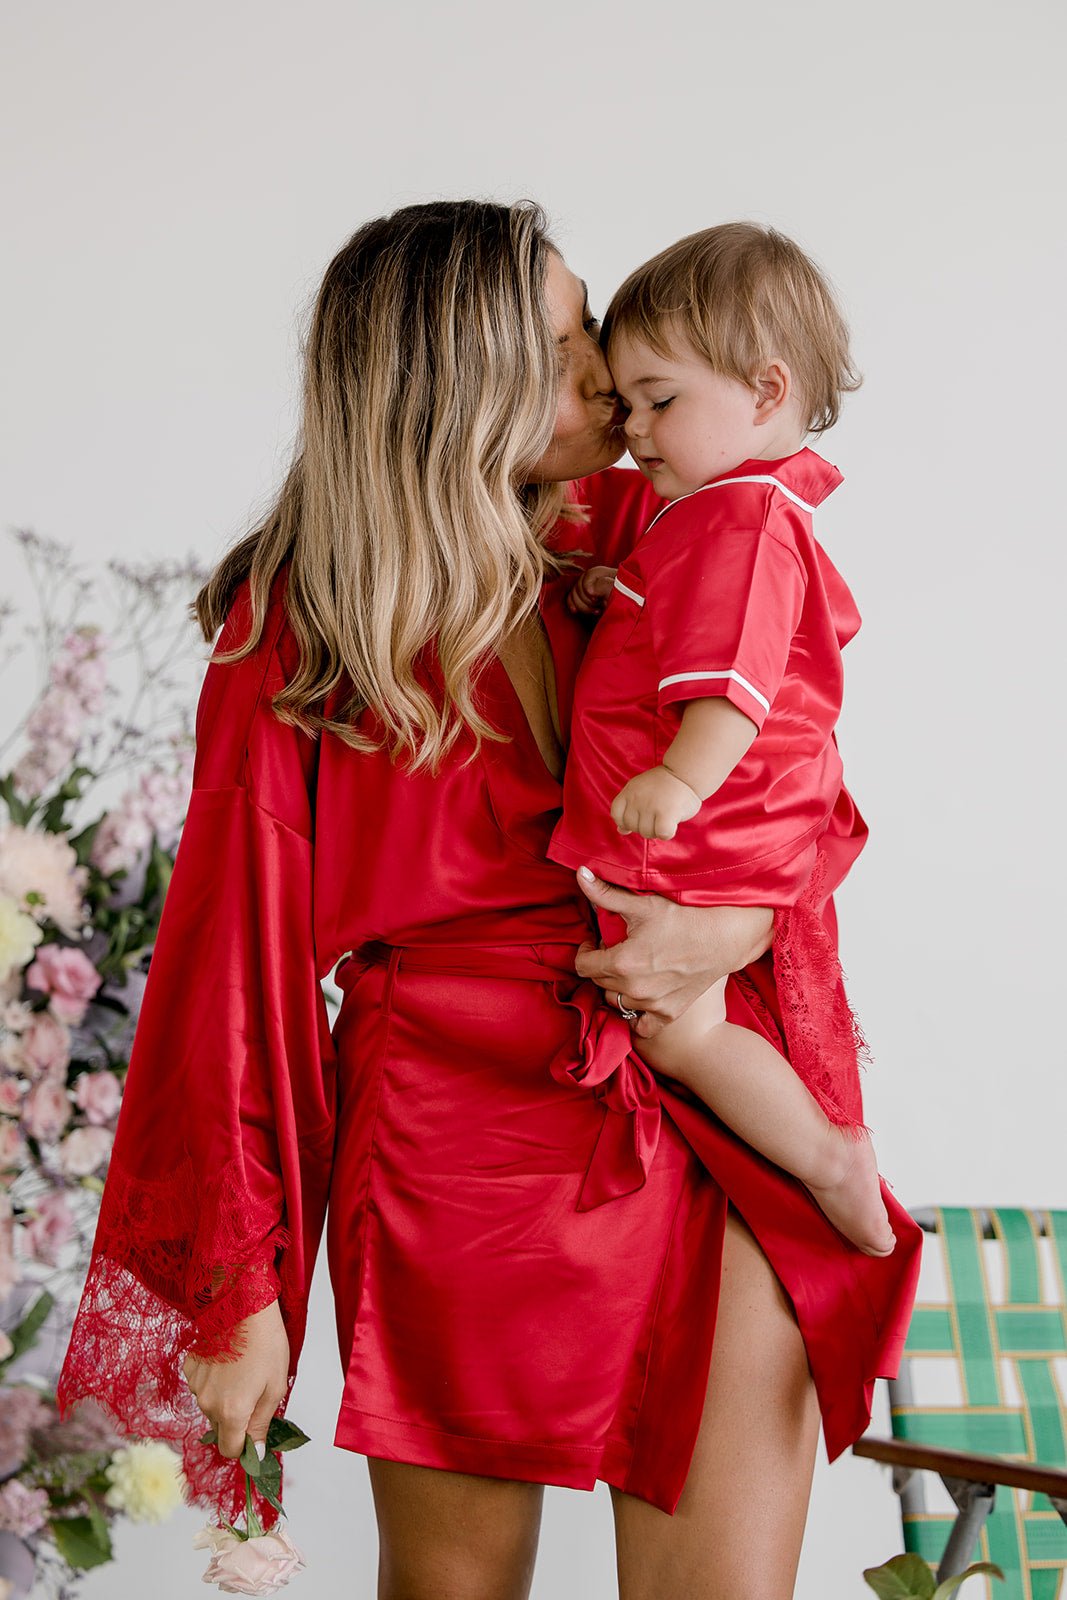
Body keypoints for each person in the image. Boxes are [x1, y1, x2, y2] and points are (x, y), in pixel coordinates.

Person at [57, 200, 921, 1600]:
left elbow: (795, 757)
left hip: (699, 1103)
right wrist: (242, 1278)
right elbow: (236, 959)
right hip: (454, 1145)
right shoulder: (298, 617)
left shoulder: (665, 518)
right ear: (454, 378)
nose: (604, 372)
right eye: (565, 338)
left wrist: (745, 922)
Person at [551, 222, 895, 1259]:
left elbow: (735, 688)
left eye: (660, 400)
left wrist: (673, 778)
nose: (635, 429)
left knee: (681, 1029)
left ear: (763, 390)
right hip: (719, 826)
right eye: (628, 400)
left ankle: (832, 1156)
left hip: (698, 834)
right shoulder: (717, 515)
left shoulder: (732, 521)